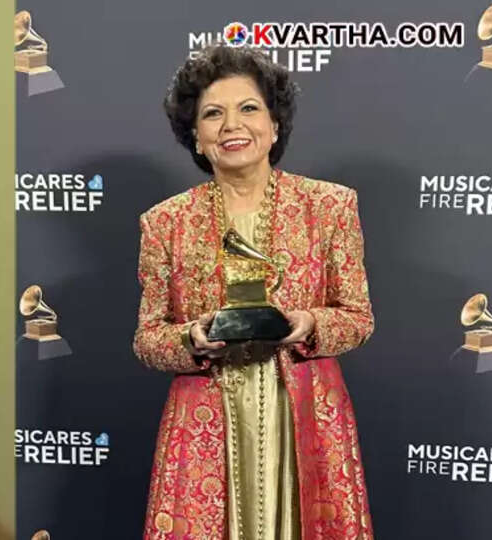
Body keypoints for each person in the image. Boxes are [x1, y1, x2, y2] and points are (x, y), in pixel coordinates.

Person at [133, 45, 374, 540]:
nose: (231, 126)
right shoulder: (165, 223)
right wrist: (191, 338)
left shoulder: (329, 207)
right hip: (204, 420)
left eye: (248, 108)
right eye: (212, 114)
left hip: (306, 412)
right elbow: (147, 338)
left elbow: (357, 318)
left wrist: (310, 325)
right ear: (196, 138)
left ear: (275, 125)